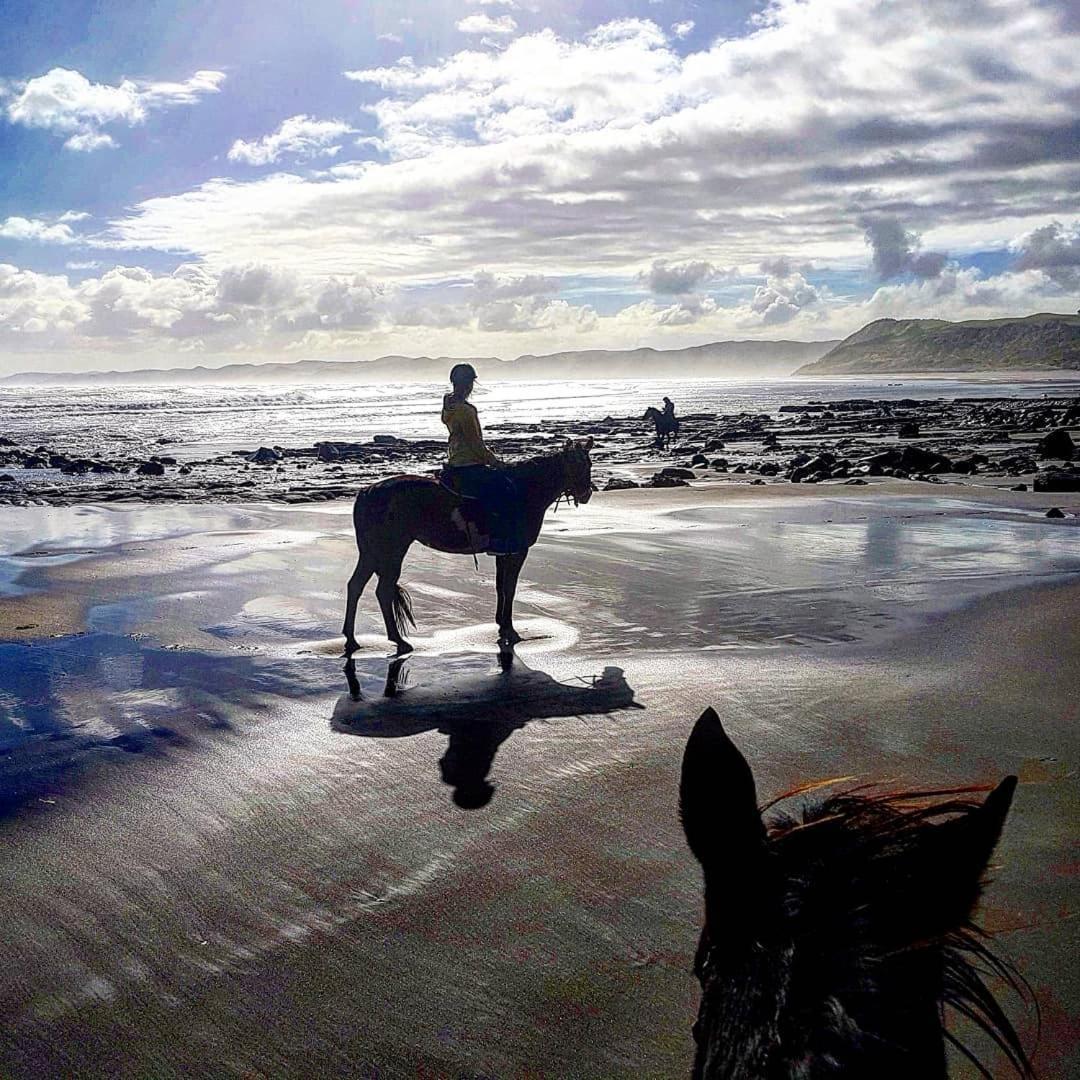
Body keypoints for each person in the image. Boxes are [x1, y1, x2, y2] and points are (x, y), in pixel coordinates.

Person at [440, 363, 525, 555]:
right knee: (505, 488)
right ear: (469, 384)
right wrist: (496, 462)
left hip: (454, 461)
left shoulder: (448, 405)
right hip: (468, 464)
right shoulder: (466, 411)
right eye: (470, 382)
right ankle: (498, 541)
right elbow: (475, 445)